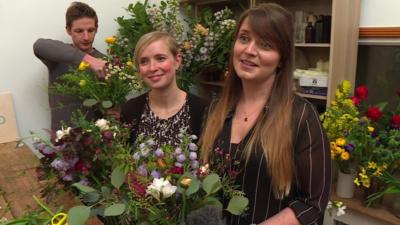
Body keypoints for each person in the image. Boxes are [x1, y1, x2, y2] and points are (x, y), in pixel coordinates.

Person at [199, 3, 331, 225]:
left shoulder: (301, 117)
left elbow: (312, 203)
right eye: (244, 38)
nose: (249, 50)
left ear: (282, 59)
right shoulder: (215, 110)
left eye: (266, 44)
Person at [120, 31, 208, 148]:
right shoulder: (129, 110)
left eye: (160, 58)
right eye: (144, 61)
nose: (152, 68)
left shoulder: (203, 110)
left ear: (177, 61)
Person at [33, 2, 106, 131]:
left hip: (95, 139)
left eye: (90, 30)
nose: (86, 37)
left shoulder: (103, 62)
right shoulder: (59, 56)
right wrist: (87, 59)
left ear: (97, 29)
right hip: (63, 140)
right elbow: (39, 45)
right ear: (68, 30)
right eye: (79, 31)